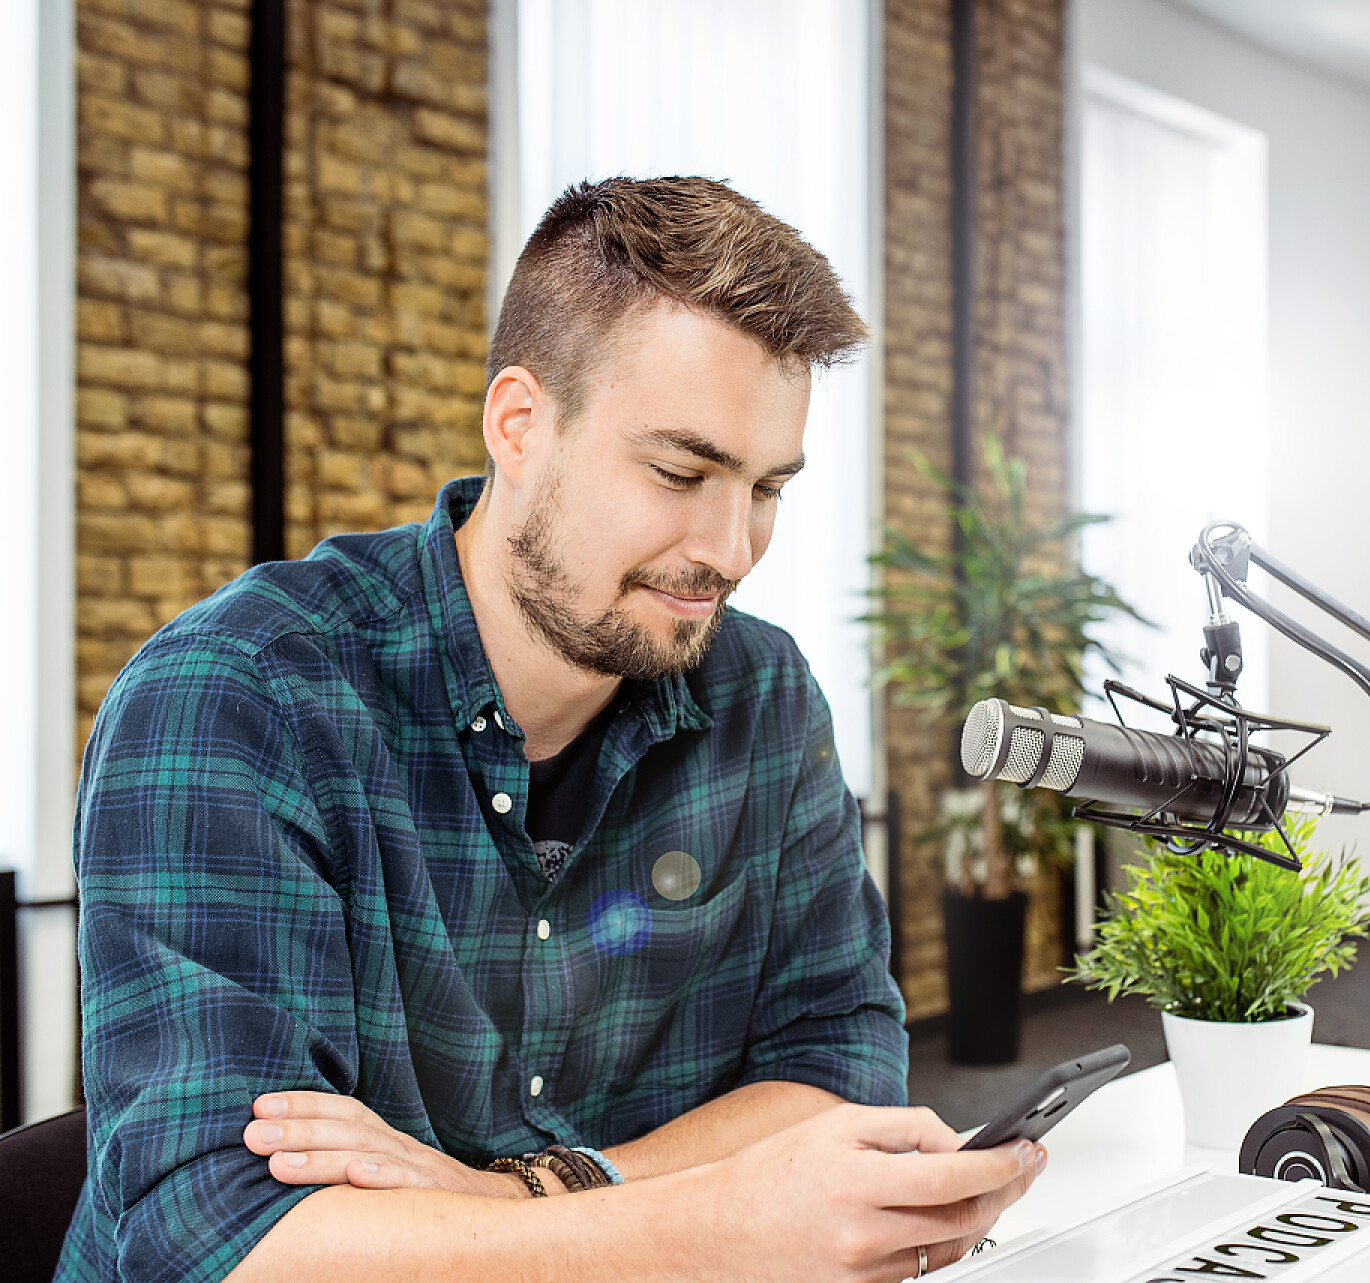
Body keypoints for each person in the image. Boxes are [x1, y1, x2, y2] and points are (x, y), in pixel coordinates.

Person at [58, 177, 1042, 1283]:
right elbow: (218, 1243)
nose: (729, 547)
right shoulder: (239, 698)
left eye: (768, 487)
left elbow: (841, 1072)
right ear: (519, 424)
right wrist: (711, 1221)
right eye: (681, 471)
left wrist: (515, 1193)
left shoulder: (762, 696)